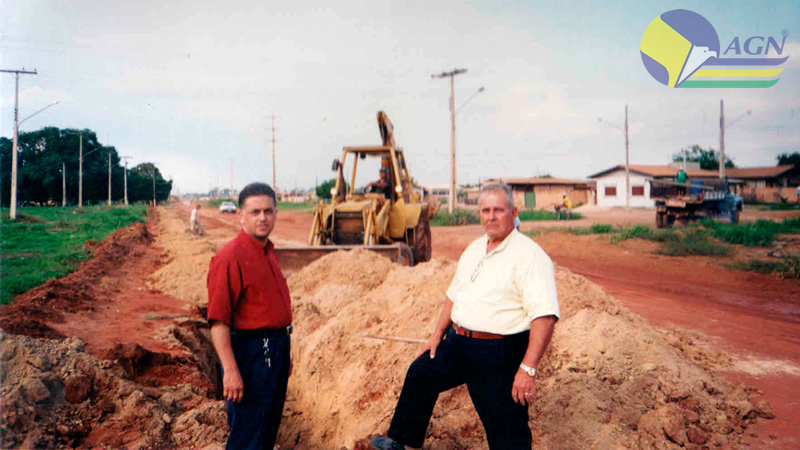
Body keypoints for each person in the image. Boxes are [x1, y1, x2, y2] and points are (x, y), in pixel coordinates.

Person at [371, 183, 560, 450]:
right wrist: (436, 335)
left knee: (506, 428)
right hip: (457, 343)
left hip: (499, 352)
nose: (491, 216)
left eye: (498, 210)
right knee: (421, 373)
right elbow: (454, 295)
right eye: (485, 210)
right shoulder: (474, 249)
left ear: (513, 211)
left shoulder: (530, 256)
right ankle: (402, 442)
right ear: (479, 213)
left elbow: (544, 316)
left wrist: (527, 369)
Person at [207, 182, 293, 450]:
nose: (263, 218)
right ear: (241, 216)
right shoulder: (229, 257)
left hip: (274, 352)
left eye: (268, 211)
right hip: (251, 355)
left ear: (276, 213)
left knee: (266, 433)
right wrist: (230, 370)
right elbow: (219, 321)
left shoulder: (267, 252)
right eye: (255, 212)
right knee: (248, 436)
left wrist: (283, 352)